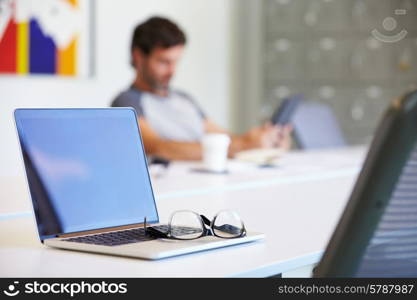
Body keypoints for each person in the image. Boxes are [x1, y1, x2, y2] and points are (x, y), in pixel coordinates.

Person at [111, 16, 292, 161]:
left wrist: (265, 142)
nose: (172, 71)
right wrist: (242, 145)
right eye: (164, 62)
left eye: (176, 61)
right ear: (138, 57)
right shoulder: (127, 101)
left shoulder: (184, 98)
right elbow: (157, 147)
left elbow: (226, 138)